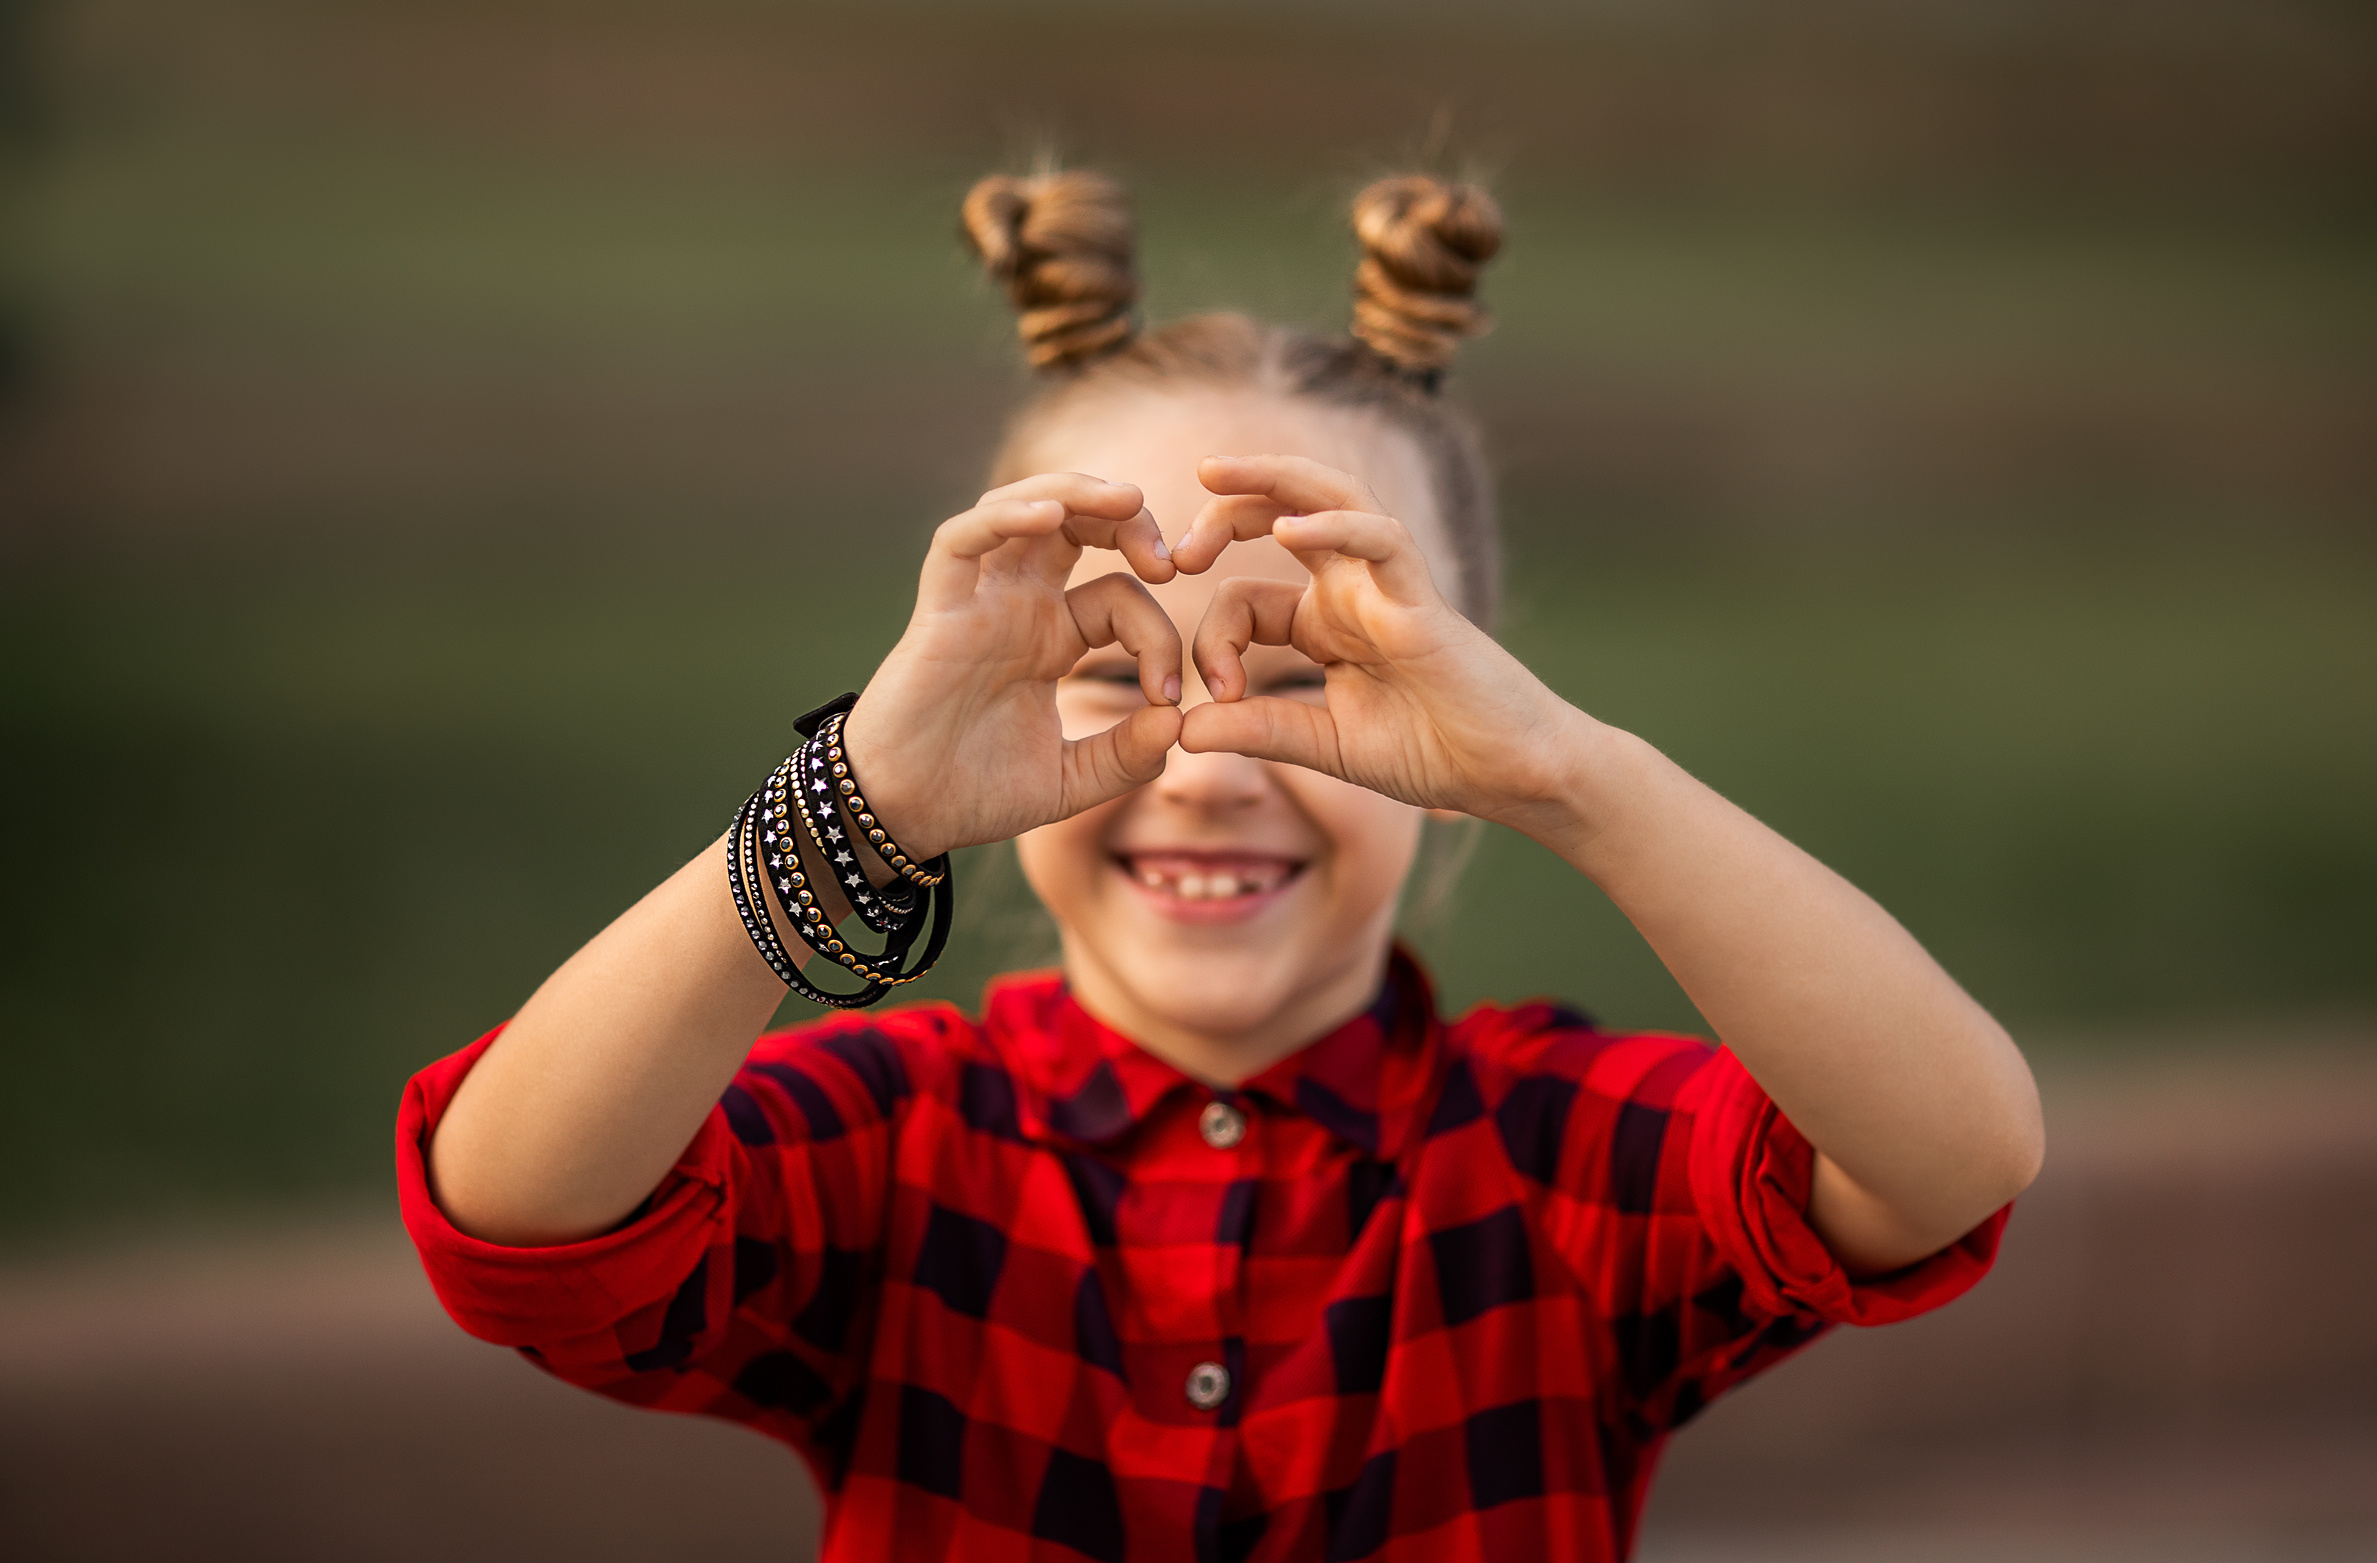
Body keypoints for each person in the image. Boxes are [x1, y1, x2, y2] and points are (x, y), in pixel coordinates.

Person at [398, 170, 2043, 1562]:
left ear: (1458, 748)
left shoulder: (1551, 1161)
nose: (1202, 758)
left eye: (1311, 672)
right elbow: (516, 1225)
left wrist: (1571, 775)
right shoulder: (906, 1142)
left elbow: (1952, 1155)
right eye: (1109, 666)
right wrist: (856, 804)